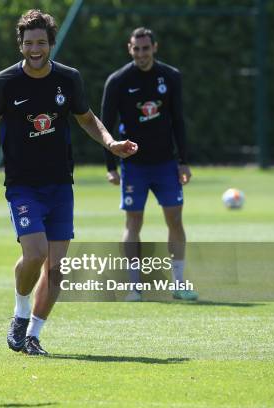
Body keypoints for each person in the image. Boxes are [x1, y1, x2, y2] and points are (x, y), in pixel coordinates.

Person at [0, 9, 137, 356]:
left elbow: (87, 118)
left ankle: (32, 335)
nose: (35, 49)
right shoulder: (3, 82)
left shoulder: (69, 79)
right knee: (35, 253)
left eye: (41, 43)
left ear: (51, 44)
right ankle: (19, 313)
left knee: (57, 268)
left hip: (60, 184)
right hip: (22, 185)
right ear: (21, 45)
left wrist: (110, 143)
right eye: (29, 43)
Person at [101, 27, 198, 301]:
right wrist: (110, 166)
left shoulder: (170, 76)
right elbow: (105, 125)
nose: (141, 54)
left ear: (155, 47)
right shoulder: (118, 81)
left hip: (166, 164)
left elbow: (178, 120)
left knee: (175, 220)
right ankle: (134, 286)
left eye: (146, 48)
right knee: (133, 222)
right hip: (133, 166)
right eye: (136, 49)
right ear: (129, 49)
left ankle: (178, 283)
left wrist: (184, 162)